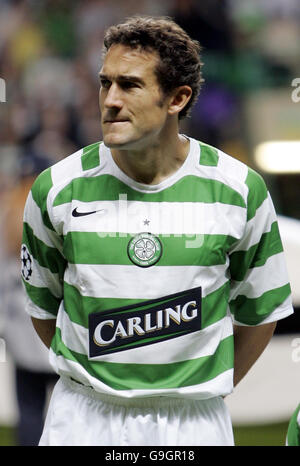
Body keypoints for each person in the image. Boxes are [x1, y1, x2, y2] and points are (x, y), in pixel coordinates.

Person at [21, 16, 294, 446]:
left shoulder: (240, 191)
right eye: (104, 83)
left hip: (193, 422)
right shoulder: (55, 189)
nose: (110, 100)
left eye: (129, 85)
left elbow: (261, 314)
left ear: (177, 99)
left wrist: (199, 388)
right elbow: (44, 310)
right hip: (83, 417)